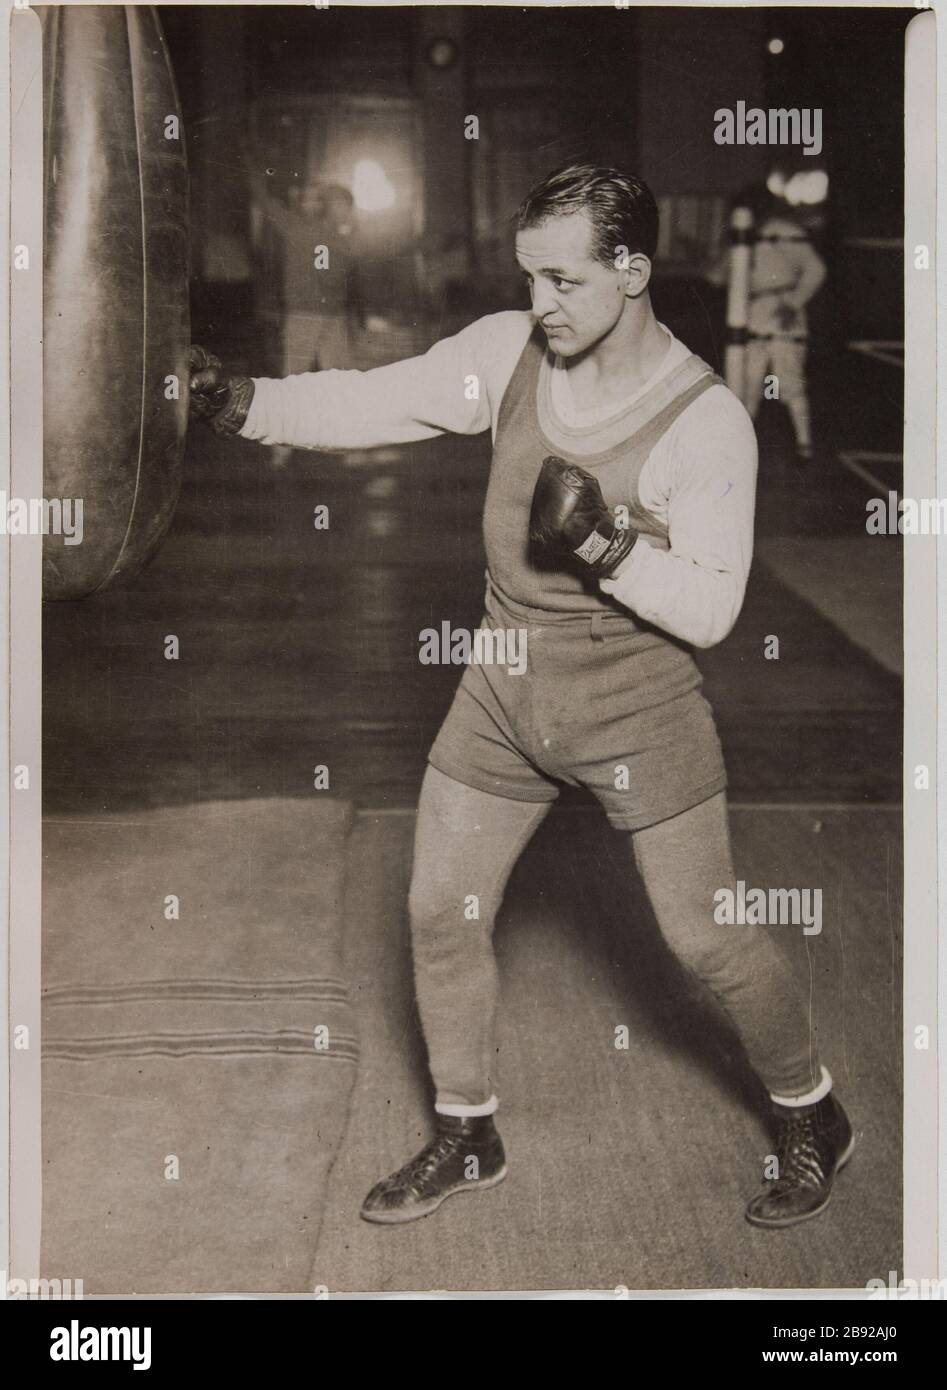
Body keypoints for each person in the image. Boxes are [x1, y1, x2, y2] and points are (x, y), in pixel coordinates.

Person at [189, 164, 852, 1231]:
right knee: (437, 909)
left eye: (563, 280)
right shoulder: (507, 352)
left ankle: (810, 1108)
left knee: (706, 938)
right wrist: (242, 402)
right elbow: (374, 396)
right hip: (500, 694)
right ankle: (468, 1132)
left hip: (636, 710)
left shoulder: (705, 422)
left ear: (631, 270)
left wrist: (604, 547)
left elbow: (712, 609)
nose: (539, 303)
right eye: (529, 277)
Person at [709, 187, 827, 464]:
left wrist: (794, 302)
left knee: (790, 381)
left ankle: (804, 446)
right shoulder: (740, 235)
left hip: (782, 313)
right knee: (747, 382)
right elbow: (717, 276)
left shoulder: (785, 231)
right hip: (750, 315)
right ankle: (740, 446)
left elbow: (816, 269)